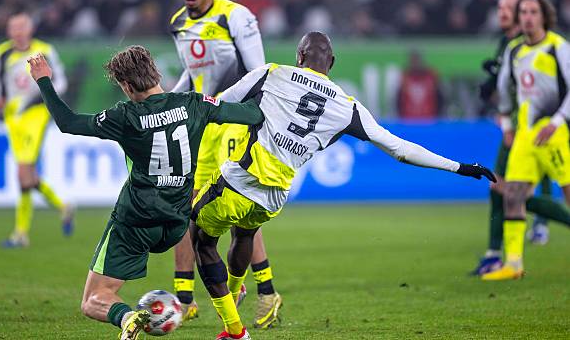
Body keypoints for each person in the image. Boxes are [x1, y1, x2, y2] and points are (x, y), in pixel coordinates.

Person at [190, 31, 496, 340]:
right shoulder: (347, 107)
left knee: (201, 238)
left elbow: (218, 104)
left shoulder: (272, 74)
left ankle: (235, 331)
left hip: (242, 180)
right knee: (245, 233)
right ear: (332, 62)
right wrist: (458, 167)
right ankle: (233, 292)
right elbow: (400, 149)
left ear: (299, 56)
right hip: (275, 196)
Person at [27, 46, 265, 340]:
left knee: (93, 299)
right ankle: (228, 304)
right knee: (207, 239)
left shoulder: (125, 115)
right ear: (156, 73)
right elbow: (251, 113)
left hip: (136, 222)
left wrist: (44, 80)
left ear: (127, 86)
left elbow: (68, 122)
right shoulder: (194, 103)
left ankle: (128, 317)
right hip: (176, 224)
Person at [169, 0, 281, 327]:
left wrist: (252, 120)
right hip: (202, 126)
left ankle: (266, 291)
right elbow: (192, 76)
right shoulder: (178, 23)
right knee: (187, 207)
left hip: (233, 123)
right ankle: (185, 299)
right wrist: (168, 102)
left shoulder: (236, 16)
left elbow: (258, 73)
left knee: (237, 209)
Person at [472, 0, 570, 276]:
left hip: (554, 133)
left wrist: (557, 122)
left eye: (533, 12)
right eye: (523, 13)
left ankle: (524, 240)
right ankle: (513, 264)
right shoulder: (514, 50)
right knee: (512, 195)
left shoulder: (558, 47)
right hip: (525, 135)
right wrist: (507, 125)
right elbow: (504, 91)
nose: (527, 18)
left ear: (544, 16)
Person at [0, 12, 72, 248]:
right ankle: (63, 207)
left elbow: (61, 81)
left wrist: (44, 93)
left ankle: (21, 234)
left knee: (22, 172)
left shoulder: (44, 50)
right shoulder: (2, 53)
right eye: (14, 27)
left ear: (30, 29)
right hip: (13, 116)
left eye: (22, 27)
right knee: (28, 177)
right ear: (8, 31)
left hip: (36, 114)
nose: (18, 32)